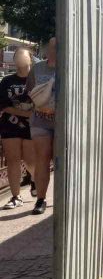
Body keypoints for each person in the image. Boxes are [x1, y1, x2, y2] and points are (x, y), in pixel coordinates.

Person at [0, 49, 36, 209]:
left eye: (23, 55)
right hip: (10, 125)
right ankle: (16, 196)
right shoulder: (7, 81)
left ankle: (35, 179)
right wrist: (24, 113)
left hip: (33, 126)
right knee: (13, 161)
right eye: (16, 56)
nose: (19, 58)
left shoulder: (37, 80)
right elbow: (3, 105)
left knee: (30, 161)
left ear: (30, 59)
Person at [26, 37, 57, 216]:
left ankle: (64, 199)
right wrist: (38, 105)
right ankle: (40, 200)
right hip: (40, 120)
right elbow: (30, 92)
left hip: (62, 121)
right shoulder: (37, 68)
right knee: (42, 158)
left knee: (61, 160)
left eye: (56, 47)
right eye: (50, 47)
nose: (52, 50)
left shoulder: (70, 67)